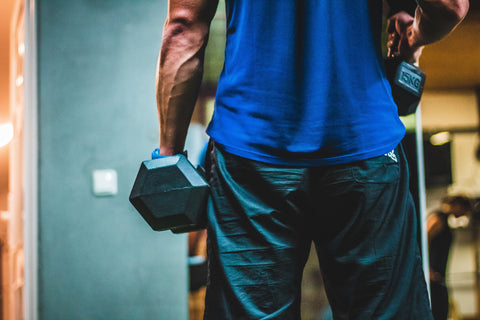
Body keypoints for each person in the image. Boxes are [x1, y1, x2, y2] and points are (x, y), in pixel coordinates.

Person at [154, 0, 469, 318]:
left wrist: (168, 156)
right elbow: (449, 6)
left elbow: (184, 25)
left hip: (252, 152)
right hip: (363, 142)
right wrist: (415, 35)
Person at [427, 195, 472, 320]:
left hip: (439, 276)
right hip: (433, 277)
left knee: (442, 310)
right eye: (465, 210)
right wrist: (427, 269)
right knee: (439, 311)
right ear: (457, 205)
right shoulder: (437, 218)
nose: (465, 214)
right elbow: (422, 241)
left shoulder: (444, 220)